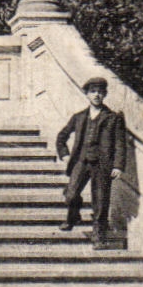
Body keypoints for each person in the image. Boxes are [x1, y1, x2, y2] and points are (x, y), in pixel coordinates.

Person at [56, 76, 126, 245]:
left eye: (100, 92)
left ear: (105, 95)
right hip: (81, 161)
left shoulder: (113, 117)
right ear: (86, 94)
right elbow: (61, 136)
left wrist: (118, 165)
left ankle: (98, 236)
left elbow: (119, 143)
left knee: (101, 201)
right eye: (93, 92)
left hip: (102, 164)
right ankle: (73, 216)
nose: (96, 95)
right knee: (71, 194)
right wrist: (65, 155)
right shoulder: (79, 117)